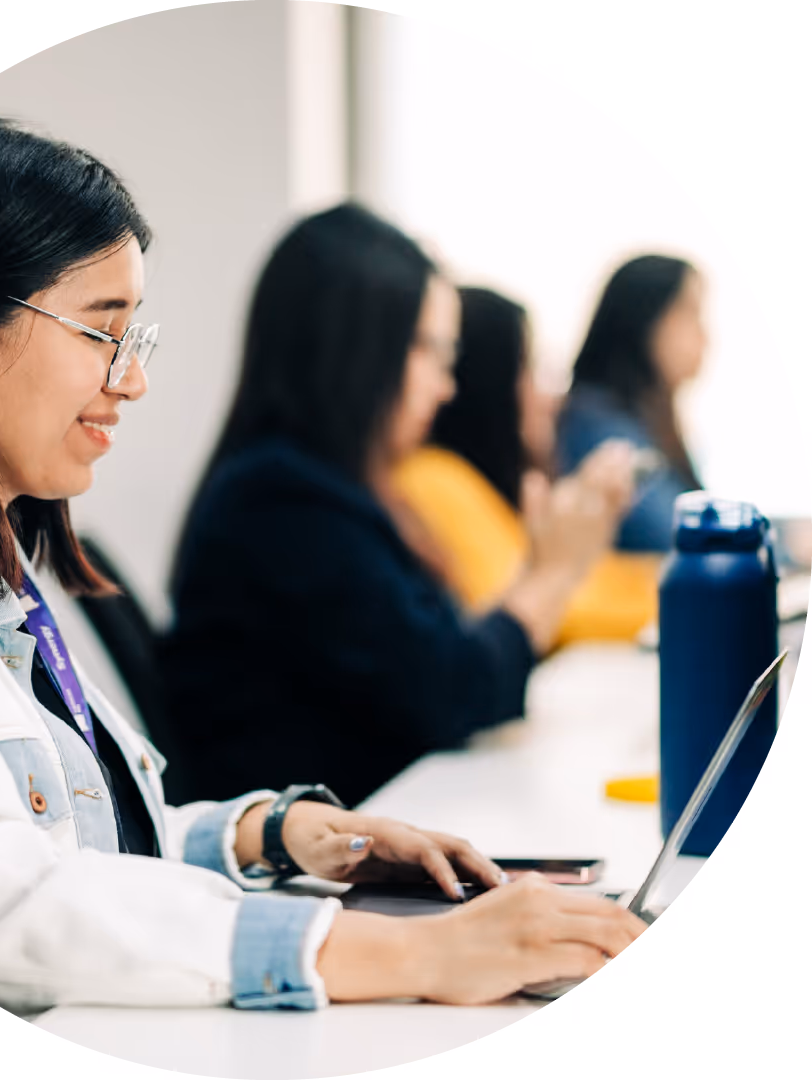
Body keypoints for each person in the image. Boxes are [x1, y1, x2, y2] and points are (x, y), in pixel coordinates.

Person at [0, 117, 644, 1016]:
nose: (132, 380)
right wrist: (406, 951)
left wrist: (272, 834)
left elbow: (75, 849)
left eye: (137, 341)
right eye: (100, 332)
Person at [161, 205, 636, 809]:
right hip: (312, 871)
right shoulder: (283, 503)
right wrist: (554, 570)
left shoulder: (317, 486)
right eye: (431, 354)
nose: (447, 386)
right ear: (358, 352)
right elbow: (451, 691)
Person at [393, 287, 659, 647]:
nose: (547, 395)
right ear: (489, 381)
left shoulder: (472, 479)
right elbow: (542, 611)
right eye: (528, 368)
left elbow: (589, 585)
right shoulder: (431, 476)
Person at [556, 255, 707, 552]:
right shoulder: (598, 423)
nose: (706, 336)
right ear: (646, 318)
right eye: (691, 313)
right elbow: (674, 536)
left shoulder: (646, 418)